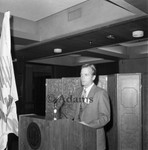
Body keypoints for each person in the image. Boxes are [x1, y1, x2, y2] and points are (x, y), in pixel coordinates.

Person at [72, 64, 110, 150]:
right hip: (78, 138)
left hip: (94, 138)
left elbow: (105, 117)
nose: (82, 77)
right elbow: (73, 112)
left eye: (86, 75)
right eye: (81, 75)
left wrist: (88, 125)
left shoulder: (101, 93)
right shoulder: (77, 92)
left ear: (93, 77)